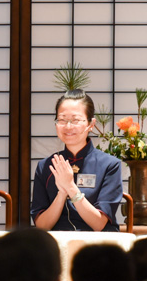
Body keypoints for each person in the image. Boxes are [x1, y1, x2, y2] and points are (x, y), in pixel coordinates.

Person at [31, 89, 123, 231]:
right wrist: (62, 193)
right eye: (62, 120)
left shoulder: (109, 165)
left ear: (91, 124)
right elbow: (42, 226)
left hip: (97, 242)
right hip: (57, 241)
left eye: (75, 120)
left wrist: (70, 187)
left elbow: (98, 224)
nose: (68, 127)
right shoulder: (46, 166)